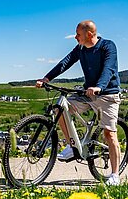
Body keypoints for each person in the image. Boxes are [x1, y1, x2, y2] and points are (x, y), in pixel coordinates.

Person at [36, 20, 122, 186]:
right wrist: (47, 78)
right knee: (60, 109)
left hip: (107, 95)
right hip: (88, 94)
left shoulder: (108, 46)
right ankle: (72, 146)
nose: (75, 37)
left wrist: (99, 86)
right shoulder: (81, 48)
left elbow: (109, 69)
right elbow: (66, 62)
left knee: (109, 134)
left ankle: (115, 175)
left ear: (89, 34)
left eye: (78, 34)